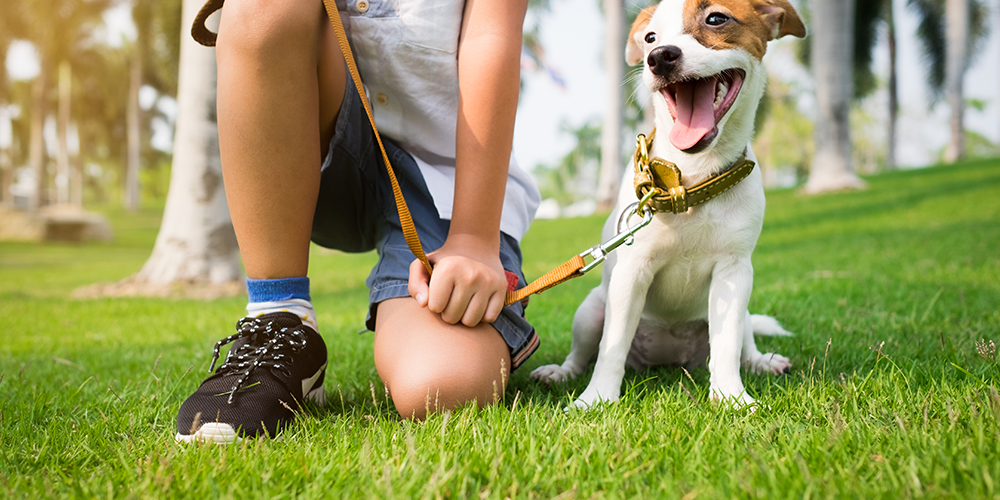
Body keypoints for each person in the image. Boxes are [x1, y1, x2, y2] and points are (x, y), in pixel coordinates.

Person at [174, 0, 540, 443]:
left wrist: (473, 238)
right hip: (312, 155)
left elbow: (491, 37)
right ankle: (279, 319)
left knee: (442, 386)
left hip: (447, 183)